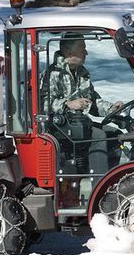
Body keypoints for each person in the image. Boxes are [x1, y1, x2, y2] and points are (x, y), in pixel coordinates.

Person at [43, 33, 124, 173]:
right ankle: (99, 185)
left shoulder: (81, 73)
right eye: (82, 48)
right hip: (59, 127)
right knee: (98, 137)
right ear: (69, 52)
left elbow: (92, 101)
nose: (86, 52)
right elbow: (43, 104)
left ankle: (112, 179)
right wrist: (67, 104)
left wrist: (111, 108)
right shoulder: (52, 74)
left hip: (79, 124)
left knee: (116, 135)